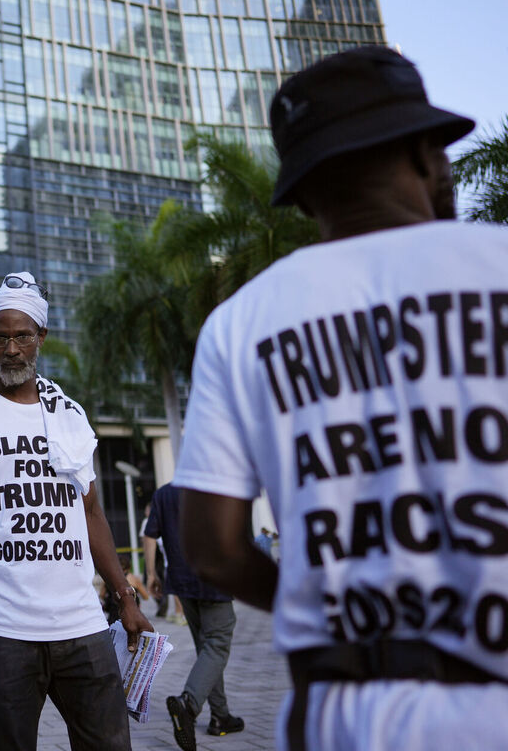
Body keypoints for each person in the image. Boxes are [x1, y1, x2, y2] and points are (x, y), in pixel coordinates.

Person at [176, 46, 508, 751]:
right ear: (424, 153)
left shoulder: (241, 323)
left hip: (345, 714)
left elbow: (214, 546)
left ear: (300, 192)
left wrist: (329, 609)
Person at [0, 272, 151, 751]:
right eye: (0, 337)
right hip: (4, 627)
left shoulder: (71, 415)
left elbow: (91, 513)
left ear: (40, 337)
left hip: (81, 624)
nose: (12, 348)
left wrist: (125, 596)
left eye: (22, 335)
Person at [143, 483, 244, 751]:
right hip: (214, 580)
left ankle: (220, 716)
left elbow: (149, 534)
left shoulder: (164, 493)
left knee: (206, 647)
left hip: (182, 583)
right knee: (217, 643)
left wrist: (151, 573)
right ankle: (188, 704)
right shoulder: (216, 488)